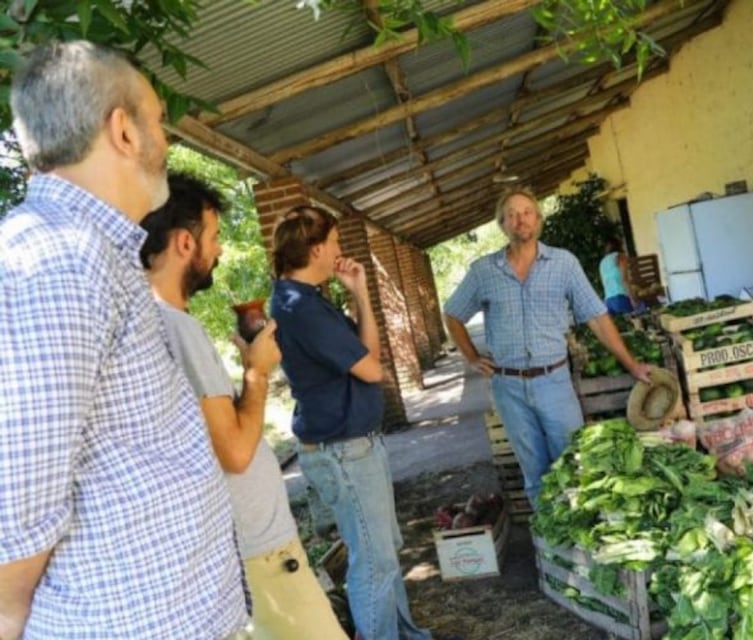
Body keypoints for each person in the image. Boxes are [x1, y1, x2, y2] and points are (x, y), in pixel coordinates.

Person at [0, 42, 249, 638]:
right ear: (124, 132)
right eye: (158, 120)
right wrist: (9, 617)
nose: (165, 139)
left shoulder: (95, 251)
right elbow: (20, 499)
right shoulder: (59, 256)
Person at [141, 174, 348, 640]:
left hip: (246, 548)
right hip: (262, 551)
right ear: (184, 243)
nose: (219, 250)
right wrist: (257, 374)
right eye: (213, 238)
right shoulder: (178, 329)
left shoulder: (155, 325)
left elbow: (208, 432)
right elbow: (233, 452)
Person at [269, 205, 433, 640]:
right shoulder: (296, 306)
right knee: (373, 560)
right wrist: (360, 299)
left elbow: (366, 358)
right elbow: (372, 368)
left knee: (383, 552)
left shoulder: (307, 300)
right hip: (344, 451)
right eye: (337, 241)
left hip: (355, 444)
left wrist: (359, 292)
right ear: (317, 248)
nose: (340, 250)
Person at [443, 187, 652, 506]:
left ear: (538, 219)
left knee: (576, 464)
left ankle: (582, 545)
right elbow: (453, 313)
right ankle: (551, 552)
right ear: (502, 224)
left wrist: (632, 364)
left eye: (526, 212)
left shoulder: (563, 264)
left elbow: (597, 318)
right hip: (508, 387)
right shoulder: (484, 271)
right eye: (511, 214)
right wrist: (471, 356)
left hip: (554, 381)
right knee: (535, 475)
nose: (520, 220)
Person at [599, 237, 640, 314]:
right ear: (620, 246)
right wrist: (632, 299)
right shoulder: (620, 256)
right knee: (642, 306)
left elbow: (604, 283)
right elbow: (624, 279)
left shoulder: (602, 262)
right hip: (621, 298)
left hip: (608, 301)